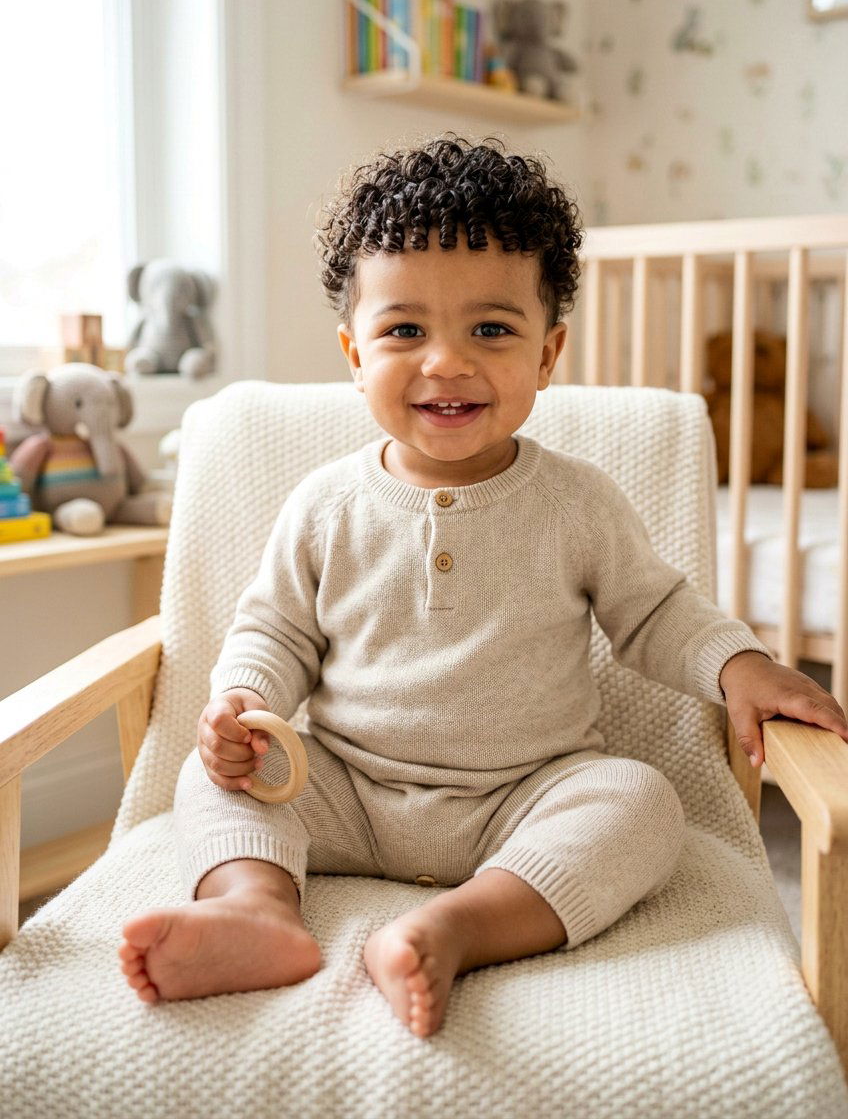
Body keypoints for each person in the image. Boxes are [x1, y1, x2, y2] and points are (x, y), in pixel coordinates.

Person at [118, 134, 848, 1037]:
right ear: (355, 351)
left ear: (548, 354)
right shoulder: (324, 503)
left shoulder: (576, 501)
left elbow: (657, 611)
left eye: (492, 330)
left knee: (641, 803)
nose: (446, 362)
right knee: (215, 779)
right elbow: (275, 631)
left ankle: (457, 928)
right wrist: (243, 704)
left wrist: (741, 665)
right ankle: (256, 911)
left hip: (525, 795)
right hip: (347, 785)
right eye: (405, 330)